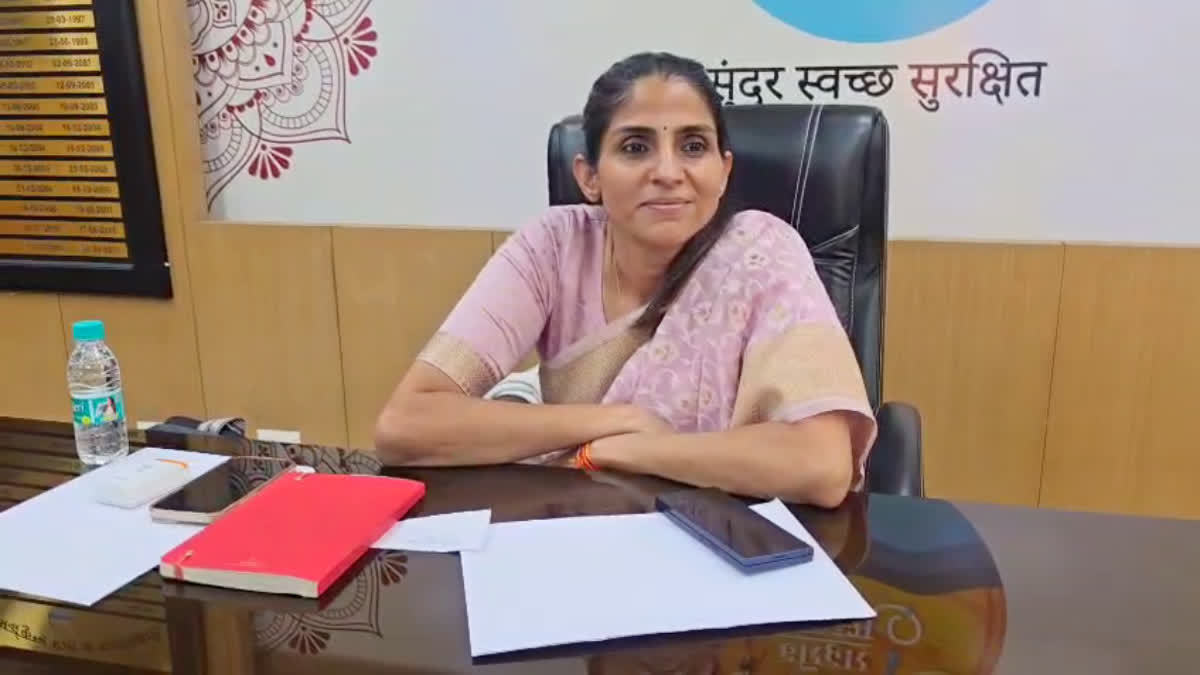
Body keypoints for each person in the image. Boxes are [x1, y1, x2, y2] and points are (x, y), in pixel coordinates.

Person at [374, 52, 876, 507]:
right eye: (636, 147)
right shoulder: (553, 247)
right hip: (584, 529)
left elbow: (820, 465)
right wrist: (617, 419)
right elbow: (406, 426)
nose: (668, 172)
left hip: (730, 535)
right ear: (589, 176)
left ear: (723, 171)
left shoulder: (761, 252)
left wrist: (624, 452)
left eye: (693, 146)